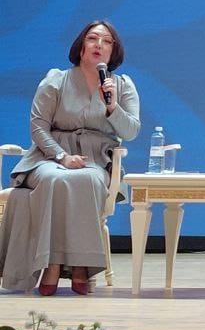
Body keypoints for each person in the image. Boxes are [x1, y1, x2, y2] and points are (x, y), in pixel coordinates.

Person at [0, 20, 140, 294]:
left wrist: (112, 106)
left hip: (95, 159)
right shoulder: (56, 80)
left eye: (107, 41)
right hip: (48, 157)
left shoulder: (122, 86)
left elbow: (131, 131)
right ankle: (53, 263)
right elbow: (38, 126)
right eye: (92, 38)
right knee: (54, 178)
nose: (99, 44)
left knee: (88, 179)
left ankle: (78, 265)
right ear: (81, 46)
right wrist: (62, 156)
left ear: (114, 51)